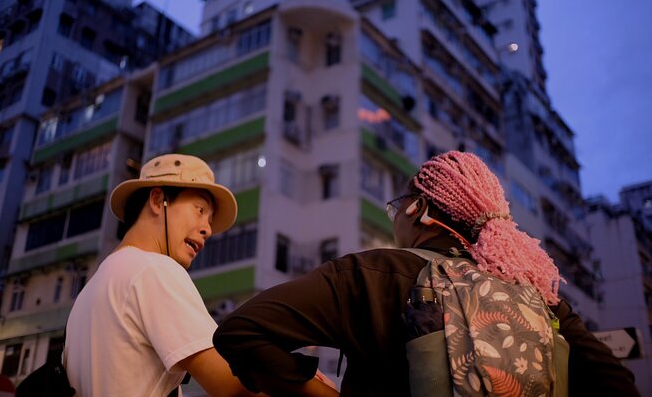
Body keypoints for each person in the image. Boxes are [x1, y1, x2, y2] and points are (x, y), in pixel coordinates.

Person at [213, 150, 640, 397]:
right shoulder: (538, 297)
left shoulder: (371, 273)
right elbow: (617, 387)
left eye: (398, 206)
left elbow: (242, 332)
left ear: (418, 210)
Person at [64, 154, 258, 397]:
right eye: (200, 210)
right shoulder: (154, 269)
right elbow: (235, 386)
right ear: (158, 200)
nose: (207, 229)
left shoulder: (89, 291)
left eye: (208, 219)